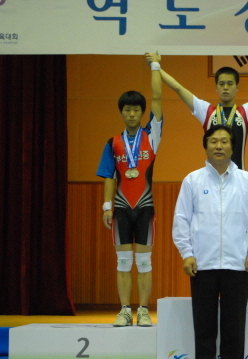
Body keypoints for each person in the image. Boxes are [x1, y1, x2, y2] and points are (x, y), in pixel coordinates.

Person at [172, 124, 248, 359]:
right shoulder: (193, 180)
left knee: (234, 325)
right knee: (204, 324)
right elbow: (181, 219)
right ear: (205, 146)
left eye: (224, 141)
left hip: (237, 263)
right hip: (202, 264)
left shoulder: (246, 180)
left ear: (233, 148)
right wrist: (187, 253)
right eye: (213, 141)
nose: (218, 146)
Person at [96, 52, 163, 327]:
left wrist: (155, 66)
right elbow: (109, 176)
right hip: (122, 210)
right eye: (127, 110)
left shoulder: (152, 135)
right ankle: (125, 310)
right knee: (123, 262)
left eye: (137, 110)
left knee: (144, 263)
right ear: (121, 112)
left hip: (145, 208)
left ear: (142, 112)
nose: (132, 114)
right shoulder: (113, 143)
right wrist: (107, 207)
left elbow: (157, 97)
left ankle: (144, 311)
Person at [156, 54, 248, 170]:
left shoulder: (246, 112)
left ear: (237, 87)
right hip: (211, 178)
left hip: (238, 178)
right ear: (216, 87)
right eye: (221, 84)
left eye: (230, 84)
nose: (225, 87)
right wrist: (156, 66)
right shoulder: (206, 111)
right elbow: (178, 88)